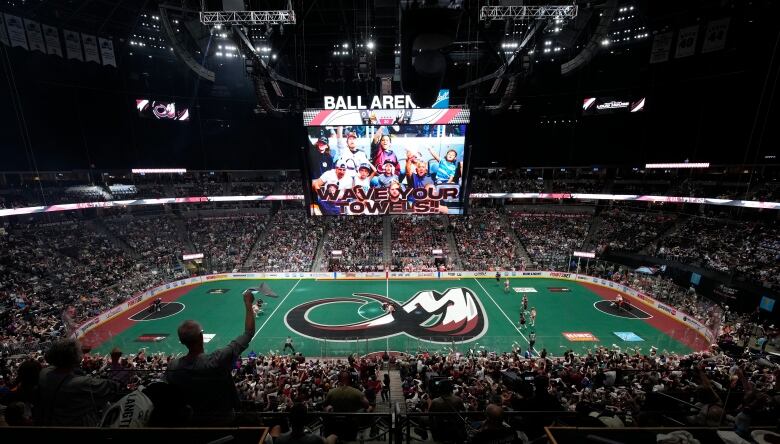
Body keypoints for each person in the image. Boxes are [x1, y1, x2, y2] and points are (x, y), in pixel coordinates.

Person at [163, 288, 256, 426]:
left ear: (182, 342)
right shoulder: (217, 360)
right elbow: (248, 333)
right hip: (224, 421)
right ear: (201, 336)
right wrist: (248, 304)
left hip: (194, 424)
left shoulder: (173, 368)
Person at [35, 338, 120, 426]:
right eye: (79, 351)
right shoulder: (82, 383)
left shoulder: (44, 373)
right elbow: (114, 387)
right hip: (78, 429)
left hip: (51, 425)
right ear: (74, 357)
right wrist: (115, 361)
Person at [273, 402, 337, 444]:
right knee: (333, 436)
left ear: (289, 420)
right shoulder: (315, 440)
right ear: (306, 420)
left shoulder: (280, 440)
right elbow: (327, 441)